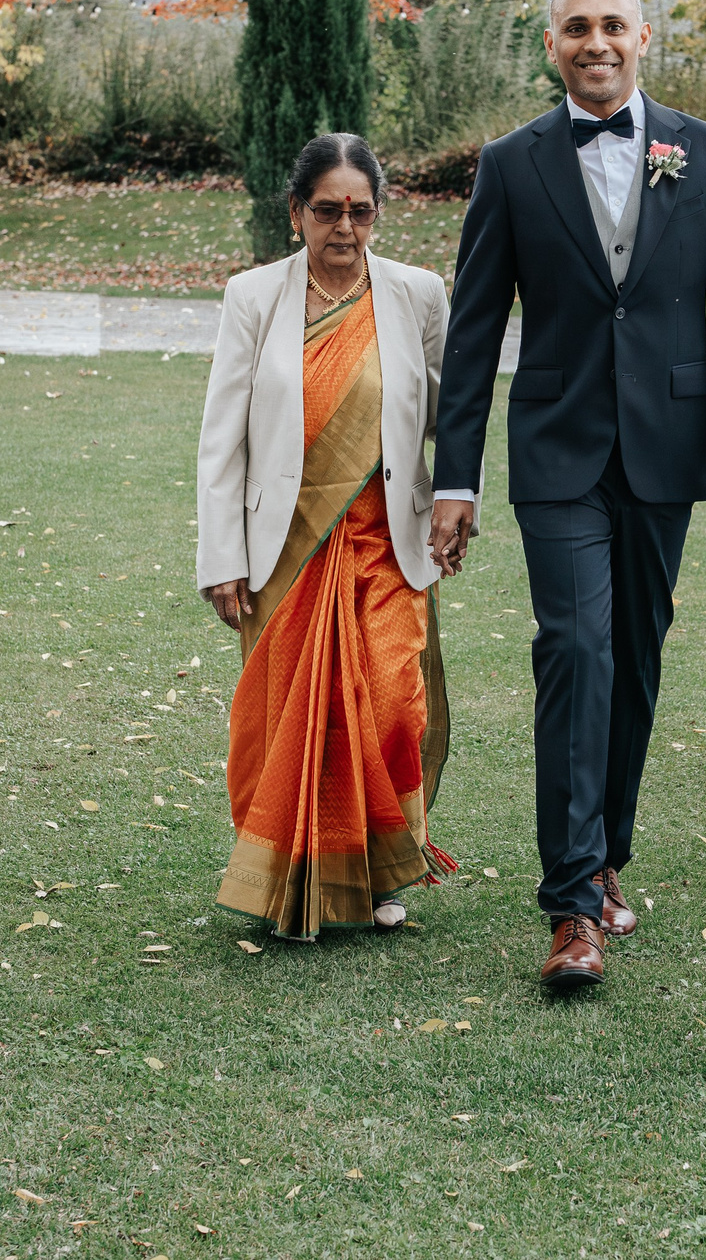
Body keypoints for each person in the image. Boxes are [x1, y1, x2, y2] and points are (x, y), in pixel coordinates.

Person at [429, 0, 706, 992]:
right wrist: (454, 476)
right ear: (551, 45)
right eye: (574, 27)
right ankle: (572, 903)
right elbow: (473, 335)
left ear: (642, 36)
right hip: (555, 447)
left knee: (633, 655)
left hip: (667, 444)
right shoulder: (509, 164)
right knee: (574, 646)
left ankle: (607, 847)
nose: (595, 41)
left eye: (612, 26)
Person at [194, 135, 454, 940]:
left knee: (389, 709)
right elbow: (222, 436)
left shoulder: (417, 294)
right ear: (297, 211)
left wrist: (456, 495)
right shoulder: (253, 295)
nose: (345, 228)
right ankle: (290, 877)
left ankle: (379, 868)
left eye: (361, 211)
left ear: (378, 212)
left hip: (386, 543)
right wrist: (221, 558)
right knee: (286, 719)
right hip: (284, 549)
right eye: (328, 211)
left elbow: (453, 415)